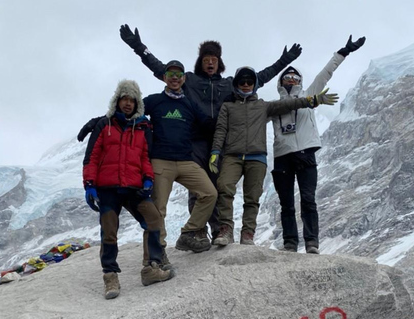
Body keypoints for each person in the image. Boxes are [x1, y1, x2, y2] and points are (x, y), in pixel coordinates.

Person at [119, 25, 302, 240]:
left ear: (219, 62)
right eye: (206, 58)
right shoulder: (190, 81)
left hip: (221, 141)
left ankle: (218, 231)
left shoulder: (229, 85)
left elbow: (260, 77)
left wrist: (284, 61)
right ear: (200, 62)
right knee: (197, 187)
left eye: (214, 58)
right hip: (195, 140)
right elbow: (161, 68)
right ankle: (197, 232)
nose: (210, 62)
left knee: (215, 187)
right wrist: (138, 46)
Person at [210, 67, 338, 246]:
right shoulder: (228, 106)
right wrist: (216, 151)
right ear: (236, 84)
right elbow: (221, 129)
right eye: (242, 82)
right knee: (224, 187)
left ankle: (248, 233)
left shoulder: (264, 106)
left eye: (249, 82)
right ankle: (225, 229)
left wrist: (312, 100)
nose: (246, 85)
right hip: (233, 155)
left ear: (254, 85)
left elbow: (289, 104)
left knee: (253, 196)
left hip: (257, 156)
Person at [271, 35, 366, 254]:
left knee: (308, 199)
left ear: (300, 80)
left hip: (305, 153)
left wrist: (343, 52)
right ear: (281, 81)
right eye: (288, 77)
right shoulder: (274, 106)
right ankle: (290, 243)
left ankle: (312, 242)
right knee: (286, 203)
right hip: (282, 156)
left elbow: (326, 73)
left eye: (295, 77)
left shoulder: (309, 94)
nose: (291, 80)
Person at [82, 79, 174, 300]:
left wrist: (148, 179)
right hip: (108, 189)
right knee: (109, 231)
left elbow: (144, 157)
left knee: (153, 219)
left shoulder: (142, 128)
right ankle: (110, 275)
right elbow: (91, 157)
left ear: (137, 104)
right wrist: (89, 185)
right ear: (117, 100)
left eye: (132, 100)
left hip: (134, 188)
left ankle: (151, 268)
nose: (128, 104)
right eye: (124, 99)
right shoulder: (104, 126)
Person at [143, 60, 218, 254]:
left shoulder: (189, 104)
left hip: (186, 161)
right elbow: (129, 112)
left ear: (184, 78)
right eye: (171, 74)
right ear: (164, 77)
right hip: (161, 161)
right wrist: (98, 122)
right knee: (157, 210)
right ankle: (156, 255)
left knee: (209, 193)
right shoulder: (153, 101)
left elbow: (208, 124)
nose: (175, 78)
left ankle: (189, 233)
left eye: (179, 75)